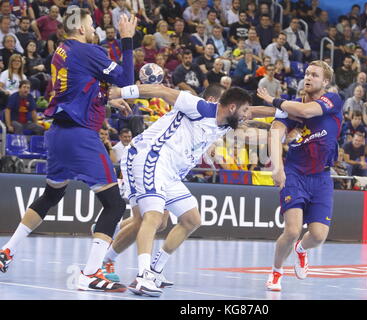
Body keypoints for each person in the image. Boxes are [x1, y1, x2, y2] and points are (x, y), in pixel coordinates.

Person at [0, 9, 137, 294]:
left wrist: (107, 102)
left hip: (57, 134)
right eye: (92, 25)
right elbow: (126, 79)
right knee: (114, 204)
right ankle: (90, 273)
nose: (96, 29)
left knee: (52, 194)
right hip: (80, 135)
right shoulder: (88, 50)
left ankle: (6, 252)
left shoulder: (62, 51)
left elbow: (79, 89)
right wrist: (126, 40)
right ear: (82, 29)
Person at [108, 83, 255, 296]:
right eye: (244, 111)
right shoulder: (200, 107)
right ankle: (142, 276)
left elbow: (256, 114)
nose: (246, 116)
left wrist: (282, 111)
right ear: (232, 107)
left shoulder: (224, 124)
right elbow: (162, 90)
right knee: (152, 218)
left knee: (191, 219)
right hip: (152, 158)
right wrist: (122, 92)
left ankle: (155, 269)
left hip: (171, 174)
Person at [256, 60, 343, 291]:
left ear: (325, 81)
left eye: (314, 75)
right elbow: (275, 135)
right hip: (295, 174)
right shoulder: (290, 107)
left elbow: (306, 111)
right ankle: (276, 272)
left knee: (318, 236)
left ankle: (301, 250)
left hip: (322, 177)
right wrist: (277, 167)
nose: (308, 77)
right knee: (292, 230)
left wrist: (273, 101)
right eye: (306, 73)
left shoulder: (332, 100)